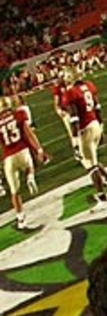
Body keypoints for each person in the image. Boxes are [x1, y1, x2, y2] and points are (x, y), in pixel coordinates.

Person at [62, 74, 107, 210]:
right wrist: (101, 128)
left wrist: (75, 142)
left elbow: (74, 118)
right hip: (95, 124)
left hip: (85, 129)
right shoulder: (88, 86)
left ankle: (102, 198)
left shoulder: (71, 93)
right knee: (91, 160)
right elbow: (98, 108)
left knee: (90, 165)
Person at [0, 96, 47, 231]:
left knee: (14, 191)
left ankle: (21, 220)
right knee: (29, 166)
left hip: (8, 157)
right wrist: (39, 149)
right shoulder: (19, 114)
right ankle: (30, 176)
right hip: (22, 151)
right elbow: (28, 133)